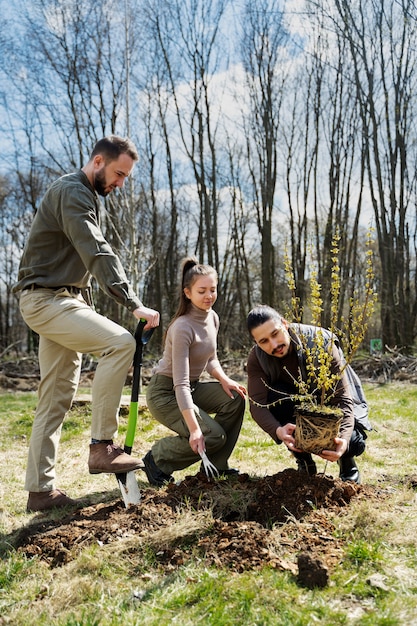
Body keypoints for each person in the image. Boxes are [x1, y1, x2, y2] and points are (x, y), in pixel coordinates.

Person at [13, 135, 160, 512]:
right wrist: (132, 302)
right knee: (121, 343)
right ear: (98, 161)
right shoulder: (73, 192)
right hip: (46, 299)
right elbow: (96, 249)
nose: (121, 183)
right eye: (118, 173)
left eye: (126, 177)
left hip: (62, 300)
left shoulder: (85, 196)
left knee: (55, 397)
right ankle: (102, 447)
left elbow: (82, 265)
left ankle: (40, 491)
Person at [142, 257, 246, 486]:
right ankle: (157, 458)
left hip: (192, 387)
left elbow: (211, 359)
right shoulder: (182, 328)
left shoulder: (213, 318)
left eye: (212, 289)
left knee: (235, 399)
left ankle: (215, 468)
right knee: (211, 435)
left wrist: (225, 379)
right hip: (166, 393)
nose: (209, 296)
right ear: (188, 293)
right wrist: (194, 429)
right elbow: (179, 384)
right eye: (202, 291)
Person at [246, 305, 371, 483]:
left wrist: (342, 440)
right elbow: (257, 404)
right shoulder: (257, 358)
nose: (274, 345)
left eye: (275, 334)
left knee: (353, 441)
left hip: (329, 402)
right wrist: (278, 430)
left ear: (284, 323)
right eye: (263, 341)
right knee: (273, 400)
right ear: (256, 342)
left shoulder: (320, 342)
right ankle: (304, 462)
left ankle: (346, 462)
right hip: (296, 407)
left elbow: (343, 399)